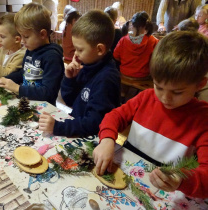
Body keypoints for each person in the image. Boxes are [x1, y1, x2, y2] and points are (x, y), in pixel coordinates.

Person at [93, 31, 208, 198]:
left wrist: (182, 181)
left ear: (199, 85)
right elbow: (114, 116)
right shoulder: (146, 98)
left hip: (162, 193)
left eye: (177, 92)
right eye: (158, 87)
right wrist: (107, 140)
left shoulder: (203, 119)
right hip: (123, 177)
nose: (164, 98)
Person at [38, 10, 121, 137]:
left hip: (91, 138)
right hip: (77, 128)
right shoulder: (88, 65)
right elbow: (70, 100)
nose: (75, 54)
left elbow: (95, 124)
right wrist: (69, 79)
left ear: (99, 49)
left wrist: (58, 127)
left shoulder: (107, 79)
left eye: (80, 49)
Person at [0, 3, 64, 106]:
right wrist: (5, 79)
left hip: (44, 110)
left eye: (26, 37)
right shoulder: (31, 49)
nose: (22, 41)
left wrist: (17, 88)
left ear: (42, 34)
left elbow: (48, 93)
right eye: (21, 36)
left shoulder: (52, 58)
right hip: (27, 103)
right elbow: (23, 73)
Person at [114, 11, 159, 79]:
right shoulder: (153, 41)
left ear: (132, 24)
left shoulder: (123, 39)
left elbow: (116, 56)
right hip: (143, 75)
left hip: (124, 73)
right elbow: (156, 60)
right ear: (146, 26)